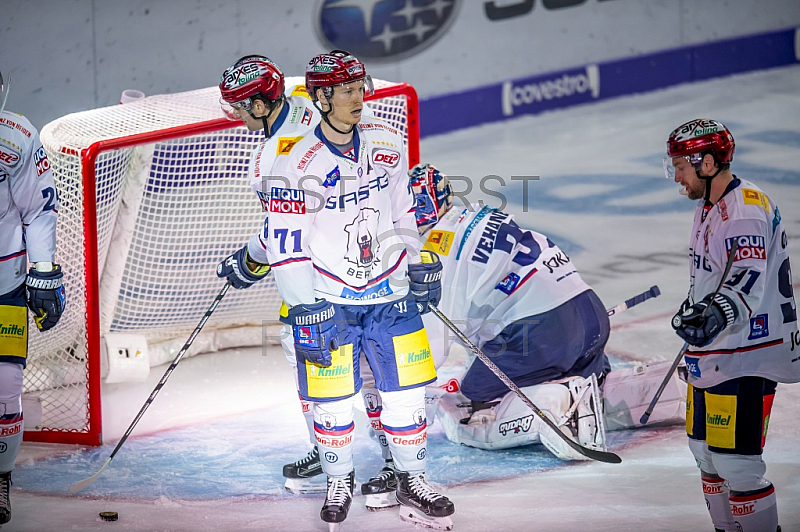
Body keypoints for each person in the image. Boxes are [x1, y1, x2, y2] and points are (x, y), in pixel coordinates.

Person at [251, 50, 453, 531]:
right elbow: (287, 243)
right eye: (346, 91)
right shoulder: (295, 161)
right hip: (330, 303)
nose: (358, 98)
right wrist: (306, 306)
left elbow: (404, 212)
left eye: (360, 88)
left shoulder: (388, 140)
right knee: (333, 401)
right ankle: (338, 480)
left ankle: (413, 478)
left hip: (390, 297)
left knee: (405, 394)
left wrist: (418, 261)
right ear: (321, 97)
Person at [410, 164, 611, 460]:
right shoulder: (477, 214)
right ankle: (594, 381)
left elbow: (433, 347)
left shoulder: (436, 249)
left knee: (476, 392)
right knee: (503, 345)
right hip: (592, 314)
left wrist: (412, 401)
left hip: (546, 332)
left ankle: (561, 396)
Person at [666, 118, 799, 532]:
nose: (676, 177)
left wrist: (712, 315)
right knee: (704, 452)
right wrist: (696, 311)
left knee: (736, 467)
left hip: (749, 350)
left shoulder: (745, 209)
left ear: (707, 163)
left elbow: (745, 276)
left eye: (682, 166)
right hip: (719, 349)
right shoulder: (711, 205)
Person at [0, 72, 65, 526]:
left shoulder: (17, 136)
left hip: (5, 283)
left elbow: (38, 210)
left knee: (4, 389)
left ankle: (0, 478)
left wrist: (42, 273)